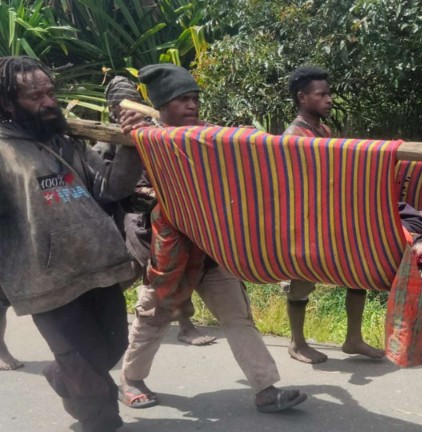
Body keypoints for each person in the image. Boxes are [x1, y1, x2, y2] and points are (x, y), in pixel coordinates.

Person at [118, 63, 307, 413]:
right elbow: (123, 187)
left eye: (194, 99)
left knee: (237, 318)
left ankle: (266, 389)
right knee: (153, 318)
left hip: (213, 250)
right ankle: (131, 380)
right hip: (168, 253)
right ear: (162, 105)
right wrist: (129, 145)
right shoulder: (141, 137)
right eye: (181, 100)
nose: (191, 106)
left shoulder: (210, 138)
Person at [0, 56, 142, 432]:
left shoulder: (68, 142)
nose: (49, 102)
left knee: (111, 348)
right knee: (85, 371)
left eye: (50, 92)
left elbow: (111, 187)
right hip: (45, 282)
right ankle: (99, 421)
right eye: (35, 96)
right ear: (8, 104)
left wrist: (130, 146)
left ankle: (60, 375)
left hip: (98, 268)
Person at [96, 75, 216, 347]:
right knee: (134, 271)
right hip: (135, 217)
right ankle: (105, 312)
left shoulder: (155, 131)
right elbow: (103, 182)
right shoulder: (109, 139)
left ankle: (185, 324)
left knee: (178, 267)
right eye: (120, 107)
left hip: (170, 212)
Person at [280, 66, 385, 364]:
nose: (329, 99)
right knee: (302, 281)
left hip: (331, 217)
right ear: (302, 97)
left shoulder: (322, 130)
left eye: (329, 93)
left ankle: (353, 338)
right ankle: (296, 343)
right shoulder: (294, 135)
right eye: (322, 94)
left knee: (357, 272)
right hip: (307, 222)